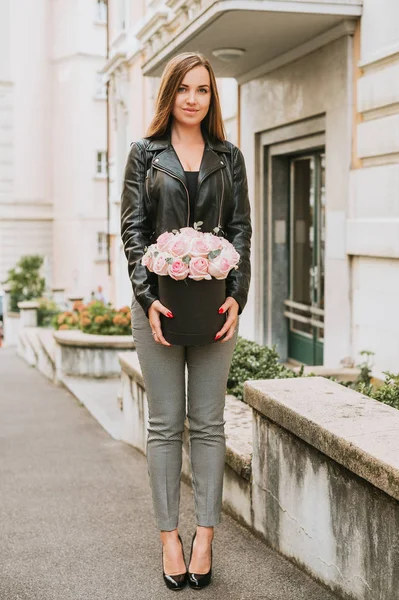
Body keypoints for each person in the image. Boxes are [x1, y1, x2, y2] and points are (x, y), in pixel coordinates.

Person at [121, 52, 251, 590]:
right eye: (184, 89)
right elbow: (133, 232)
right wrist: (148, 297)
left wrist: (237, 297)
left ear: (211, 97)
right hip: (158, 308)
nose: (193, 99)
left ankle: (205, 535)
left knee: (210, 423)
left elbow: (241, 228)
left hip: (216, 310)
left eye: (203, 90)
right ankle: (168, 537)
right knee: (164, 424)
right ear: (169, 94)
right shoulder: (144, 156)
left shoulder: (229, 155)